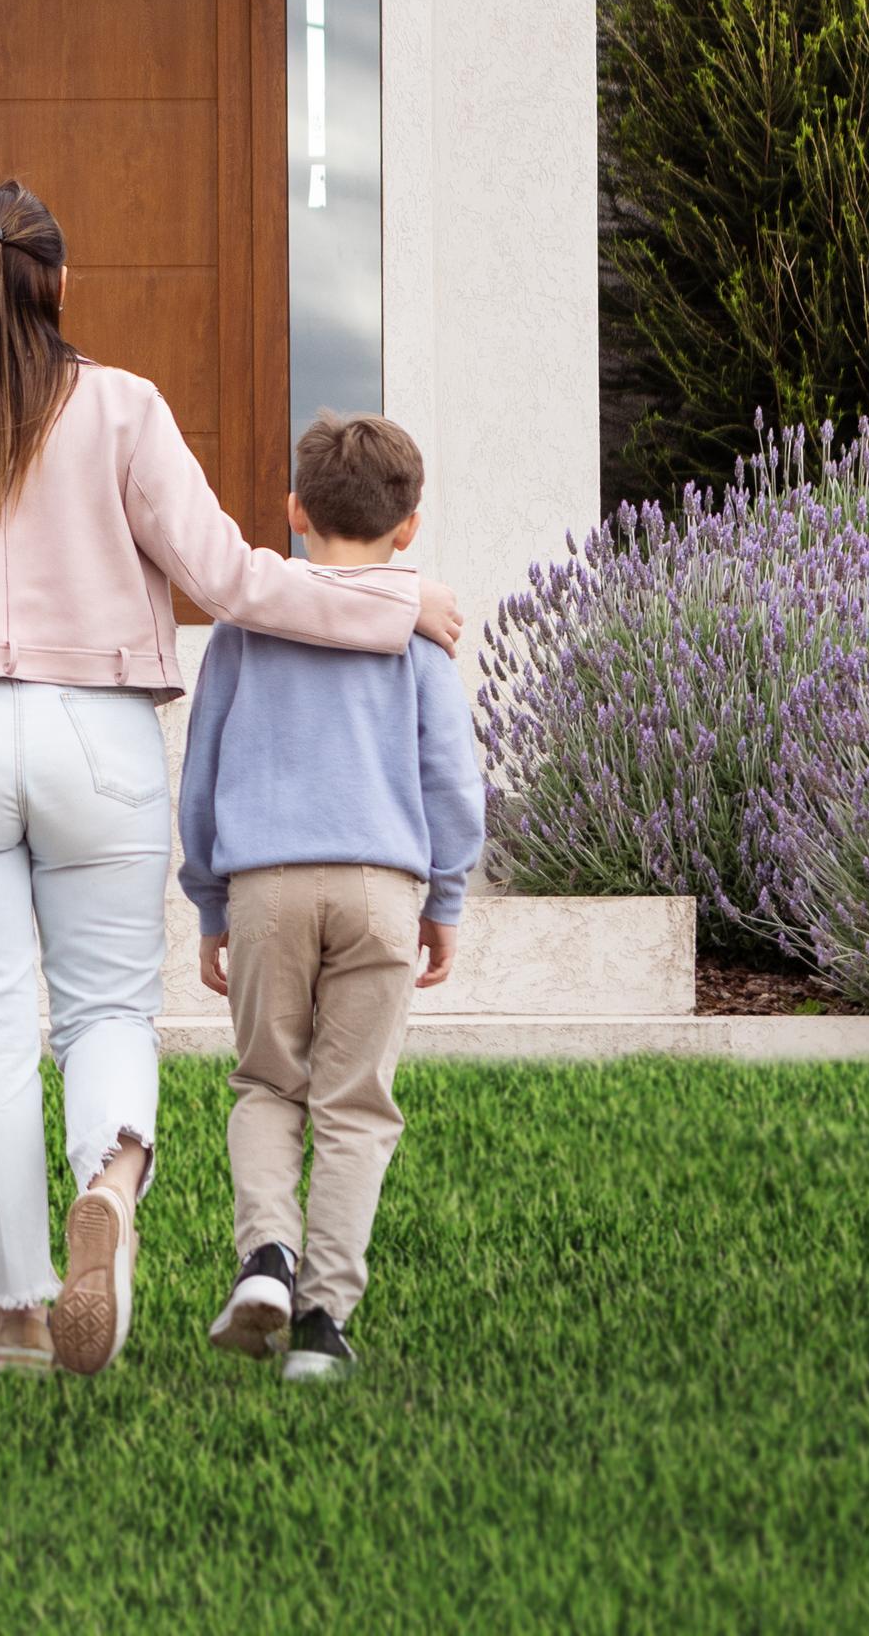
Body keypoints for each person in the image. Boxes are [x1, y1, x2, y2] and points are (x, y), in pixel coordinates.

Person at [0, 180, 462, 1380]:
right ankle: (109, 1176)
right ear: (57, 286)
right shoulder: (121, 408)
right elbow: (229, 576)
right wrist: (388, 600)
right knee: (105, 1010)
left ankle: (14, 1315)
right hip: (95, 738)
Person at [179, 411, 484, 1385]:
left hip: (265, 880)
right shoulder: (420, 636)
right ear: (409, 527)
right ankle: (321, 1320)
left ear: (292, 512)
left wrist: (206, 898)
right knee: (354, 1103)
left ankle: (263, 1255)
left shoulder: (243, 630)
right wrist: (444, 896)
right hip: (381, 886)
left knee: (269, 1081)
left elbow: (200, 771)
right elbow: (452, 781)